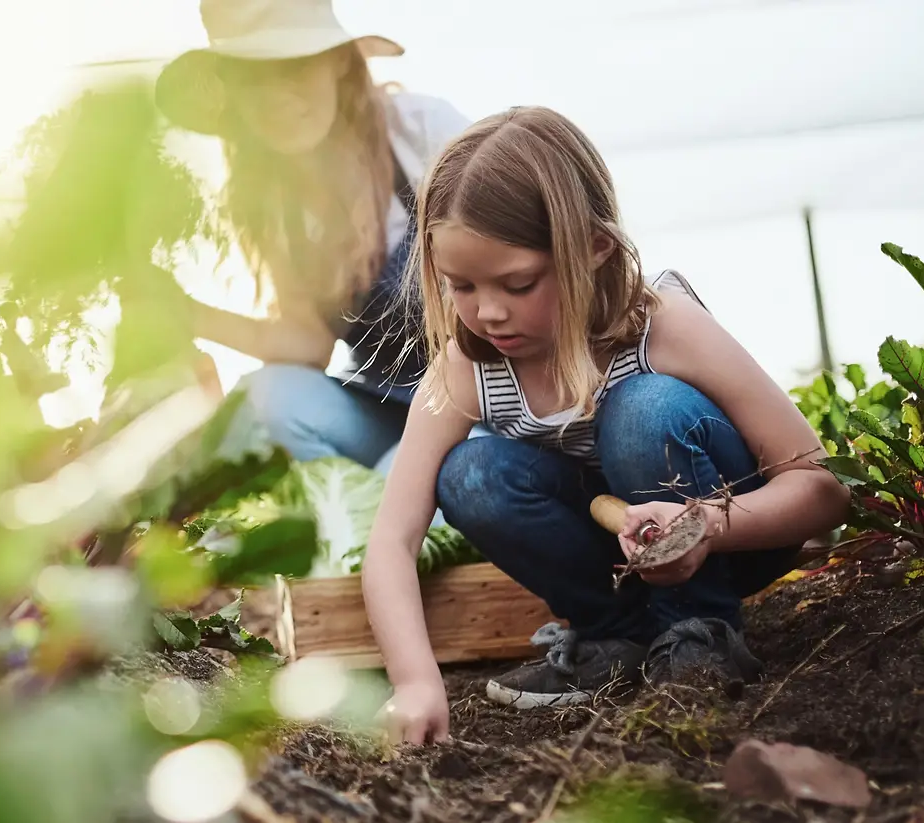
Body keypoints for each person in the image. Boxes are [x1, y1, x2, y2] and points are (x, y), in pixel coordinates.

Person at [359, 106, 851, 746]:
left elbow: (822, 488)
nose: (488, 311)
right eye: (461, 285)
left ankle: (697, 633)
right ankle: (616, 634)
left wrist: (704, 526)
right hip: (619, 557)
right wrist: (416, 683)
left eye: (518, 283)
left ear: (594, 247)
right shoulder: (463, 372)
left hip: (731, 540)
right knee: (472, 475)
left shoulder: (662, 325)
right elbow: (391, 542)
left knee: (641, 409)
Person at [154, 0, 472, 473]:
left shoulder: (422, 133)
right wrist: (188, 314)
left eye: (296, 68)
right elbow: (310, 343)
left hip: (484, 408)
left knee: (400, 472)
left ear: (338, 67)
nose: (279, 97)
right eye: (254, 77)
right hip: (387, 412)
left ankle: (392, 501)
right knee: (264, 399)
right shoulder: (275, 203)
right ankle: (358, 503)